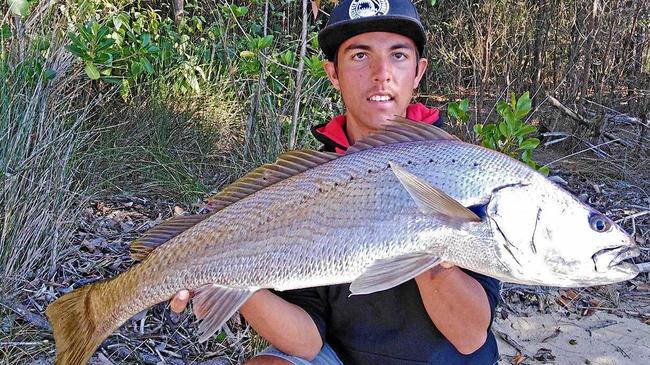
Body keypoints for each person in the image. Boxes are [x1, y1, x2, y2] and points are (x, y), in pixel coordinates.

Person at [170, 0, 500, 364]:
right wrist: (222, 272)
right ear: (333, 73)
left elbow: (469, 336)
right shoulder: (310, 184)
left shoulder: (463, 169)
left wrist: (416, 222)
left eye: (399, 56)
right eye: (360, 56)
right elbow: (307, 342)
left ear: (419, 72)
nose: (381, 73)